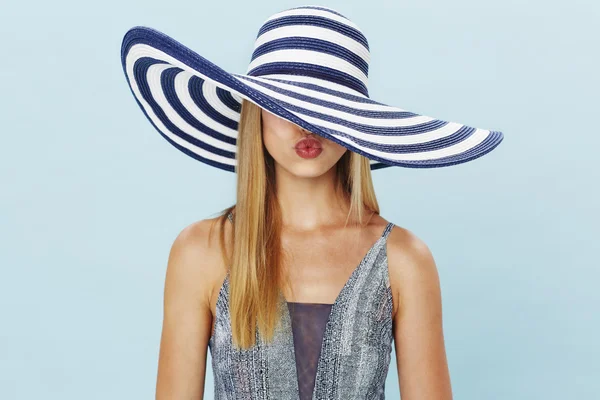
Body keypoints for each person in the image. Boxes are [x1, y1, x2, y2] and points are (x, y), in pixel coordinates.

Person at [120, 5, 503, 399]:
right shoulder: (202, 251)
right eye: (287, 107)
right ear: (257, 112)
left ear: (354, 122)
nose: (306, 127)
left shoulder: (404, 260)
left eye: (326, 110)